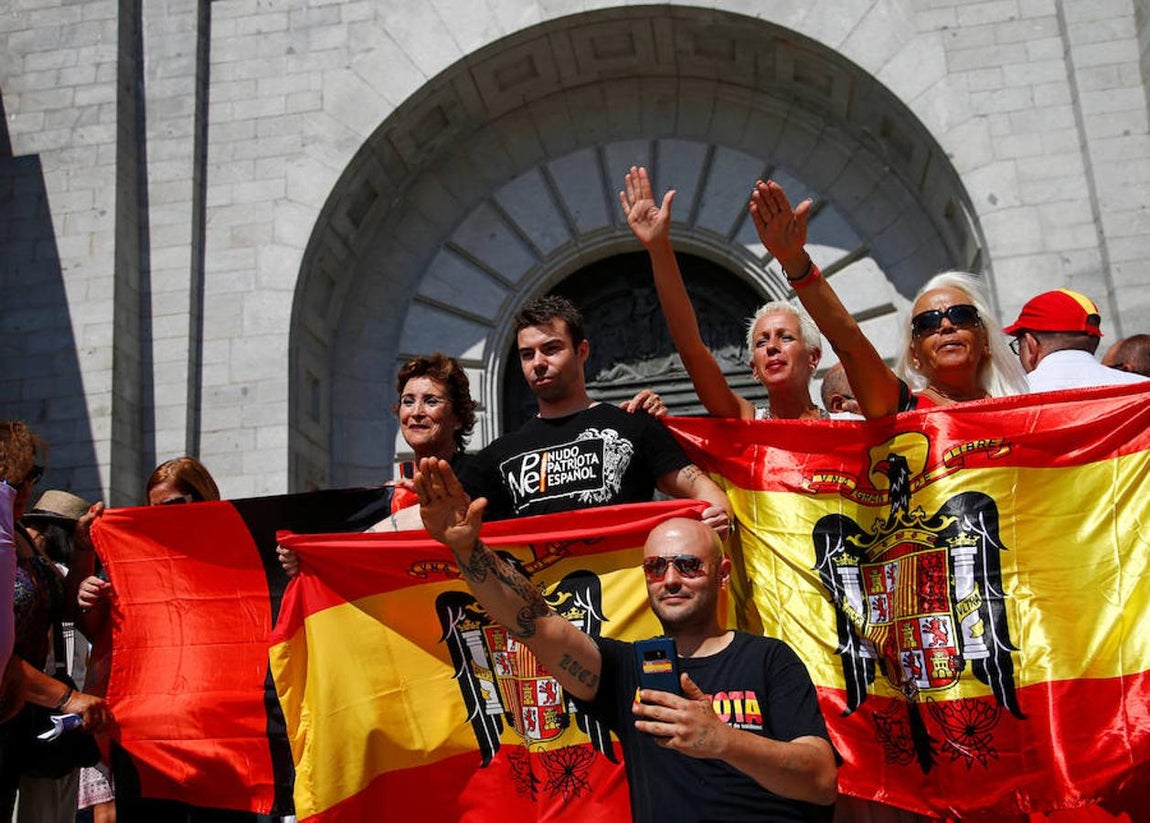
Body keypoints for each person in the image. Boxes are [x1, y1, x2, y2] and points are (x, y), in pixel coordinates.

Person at [416, 456, 837, 821]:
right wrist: (468, 549)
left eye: (688, 565)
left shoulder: (768, 658)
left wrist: (724, 740)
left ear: (722, 574)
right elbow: (535, 621)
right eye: (656, 568)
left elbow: (820, 780)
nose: (670, 579)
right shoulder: (624, 668)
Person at [749, 180, 1029, 415]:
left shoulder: (1030, 415)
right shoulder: (900, 411)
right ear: (914, 355)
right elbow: (849, 342)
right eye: (927, 324)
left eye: (961, 315)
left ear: (986, 341)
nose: (945, 326)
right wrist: (795, 261)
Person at [77, 456, 256, 823]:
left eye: (175, 505)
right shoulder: (133, 560)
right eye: (154, 510)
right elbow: (101, 634)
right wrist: (88, 593)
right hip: (151, 737)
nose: (165, 517)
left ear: (202, 498)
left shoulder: (240, 553)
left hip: (223, 737)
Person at [460, 294, 731, 531]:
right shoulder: (500, 454)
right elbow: (441, 516)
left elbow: (701, 489)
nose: (539, 363)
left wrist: (718, 519)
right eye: (527, 354)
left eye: (551, 349)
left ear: (582, 351)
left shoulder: (632, 426)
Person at [620, 166, 829, 420]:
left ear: (814, 357)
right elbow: (691, 348)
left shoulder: (850, 427)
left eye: (785, 337)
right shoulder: (746, 422)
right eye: (762, 342)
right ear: (754, 369)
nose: (772, 347)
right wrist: (659, 248)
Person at [0, 422, 106, 823]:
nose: (27, 487)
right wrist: (67, 698)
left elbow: (63, 612)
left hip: (17, 716)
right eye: (22, 476)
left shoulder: (20, 540)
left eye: (33, 475)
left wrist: (82, 549)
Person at [1002, 289, 1149, 391]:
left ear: (1031, 344)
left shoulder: (1009, 400)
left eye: (1018, 344)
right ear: (1095, 342)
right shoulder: (1141, 390)